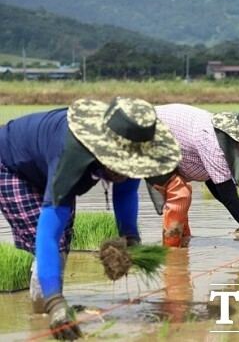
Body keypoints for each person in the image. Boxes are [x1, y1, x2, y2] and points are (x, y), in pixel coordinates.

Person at [0, 97, 182, 340]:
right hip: (11, 164)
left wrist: (131, 241)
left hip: (45, 164)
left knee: (65, 240)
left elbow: (126, 193)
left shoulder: (133, 149)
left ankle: (48, 307)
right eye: (121, 164)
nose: (127, 171)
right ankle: (47, 308)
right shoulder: (71, 155)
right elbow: (48, 233)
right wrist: (55, 302)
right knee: (47, 238)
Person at [147, 104, 239, 249]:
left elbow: (216, 184)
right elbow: (227, 196)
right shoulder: (212, 142)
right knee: (180, 193)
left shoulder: (222, 138)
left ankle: (182, 246)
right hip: (144, 139)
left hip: (164, 139)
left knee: (182, 194)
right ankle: (171, 254)